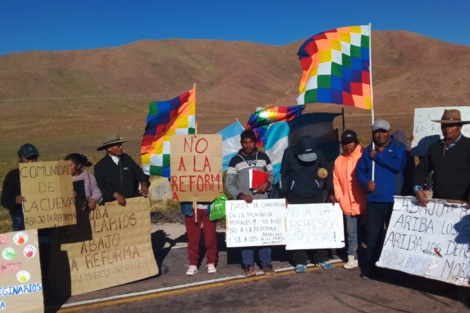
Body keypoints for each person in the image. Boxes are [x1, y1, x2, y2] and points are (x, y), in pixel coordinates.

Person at [356, 119, 407, 279]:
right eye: (377, 131)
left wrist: (377, 157)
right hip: (374, 200)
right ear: (373, 133)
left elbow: (397, 165)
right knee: (373, 236)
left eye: (384, 131)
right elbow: (360, 170)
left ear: (389, 131)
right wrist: (365, 182)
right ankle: (372, 267)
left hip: (394, 200)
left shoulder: (399, 148)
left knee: (395, 236)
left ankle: (398, 269)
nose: (380, 134)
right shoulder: (367, 151)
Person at [280, 136, 336, 273]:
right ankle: (300, 260)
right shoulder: (288, 154)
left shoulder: (319, 154)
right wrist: (284, 195)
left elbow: (327, 174)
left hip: (315, 194)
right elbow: (283, 175)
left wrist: (331, 192)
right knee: (297, 228)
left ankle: (321, 257)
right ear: (298, 151)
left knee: (318, 227)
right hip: (295, 196)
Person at [225, 130, 276, 277]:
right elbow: (229, 183)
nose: (248, 145)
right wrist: (240, 195)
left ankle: (266, 263)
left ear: (255, 142)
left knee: (264, 233)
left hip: (263, 202)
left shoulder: (264, 157)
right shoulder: (236, 160)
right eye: (245, 142)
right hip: (245, 203)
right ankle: (248, 264)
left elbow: (272, 175)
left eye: (251, 142)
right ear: (241, 143)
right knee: (247, 234)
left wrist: (267, 184)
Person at [414, 109, 470, 206]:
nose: (447, 128)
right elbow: (422, 169)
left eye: (451, 125)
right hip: (439, 204)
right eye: (444, 125)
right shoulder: (435, 147)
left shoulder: (468, 145)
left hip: (464, 204)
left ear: (460, 127)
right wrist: (418, 188)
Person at [333, 130, 366, 269]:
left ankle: (370, 256)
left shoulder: (364, 155)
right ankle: (353, 257)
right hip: (347, 204)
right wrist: (341, 198)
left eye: (350, 142)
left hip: (365, 202)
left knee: (369, 232)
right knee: (351, 232)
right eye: (345, 143)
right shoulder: (339, 160)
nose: (347, 146)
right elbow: (336, 182)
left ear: (356, 142)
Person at [94, 133, 150, 205]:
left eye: (121, 145)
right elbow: (100, 187)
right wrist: (114, 194)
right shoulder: (101, 166)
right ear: (109, 148)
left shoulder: (127, 159)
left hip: (132, 200)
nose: (121, 147)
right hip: (112, 204)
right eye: (118, 145)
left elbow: (139, 173)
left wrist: (144, 183)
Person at [1, 144, 39, 231]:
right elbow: (4, 201)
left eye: (34, 158)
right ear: (20, 158)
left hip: (43, 218)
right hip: (21, 217)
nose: (31, 161)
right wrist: (15, 201)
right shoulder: (12, 176)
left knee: (45, 243)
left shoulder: (44, 174)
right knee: (25, 243)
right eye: (28, 159)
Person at [181, 202, 217, 275]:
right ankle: (193, 263)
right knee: (193, 239)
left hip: (209, 210)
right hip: (191, 210)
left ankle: (211, 261)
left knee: (210, 238)